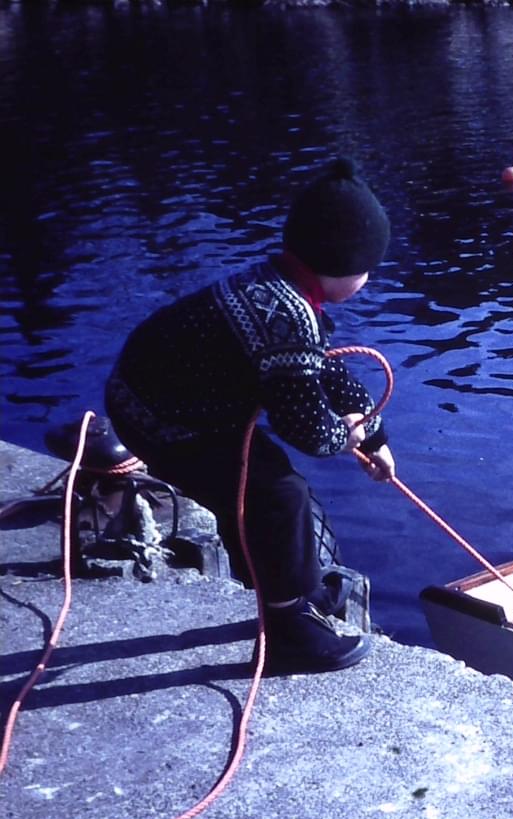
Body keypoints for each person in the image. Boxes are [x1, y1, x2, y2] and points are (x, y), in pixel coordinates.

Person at [105, 157, 395, 674]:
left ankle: (295, 591)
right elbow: (304, 427)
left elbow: (322, 371)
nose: (368, 279)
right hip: (161, 419)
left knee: (267, 482)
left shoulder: (282, 285)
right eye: (368, 268)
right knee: (275, 493)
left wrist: (372, 435)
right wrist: (344, 438)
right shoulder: (287, 317)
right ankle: (288, 629)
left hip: (164, 397)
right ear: (343, 264)